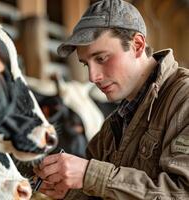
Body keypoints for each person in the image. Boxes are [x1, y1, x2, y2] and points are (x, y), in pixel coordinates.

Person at [33, 0, 189, 199]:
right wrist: (70, 191)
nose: (92, 77)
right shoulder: (114, 125)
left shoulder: (183, 99)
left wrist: (89, 175)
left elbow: (182, 193)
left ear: (137, 45)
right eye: (85, 64)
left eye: (101, 58)